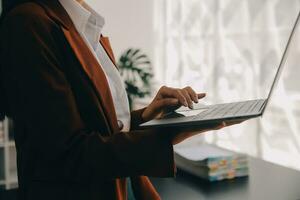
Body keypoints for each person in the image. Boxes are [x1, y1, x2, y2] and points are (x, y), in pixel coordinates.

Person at [0, 0, 243, 199]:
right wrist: (168, 135)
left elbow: (99, 126)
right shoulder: (28, 23)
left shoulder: (80, 21)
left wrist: (148, 116)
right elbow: (68, 155)